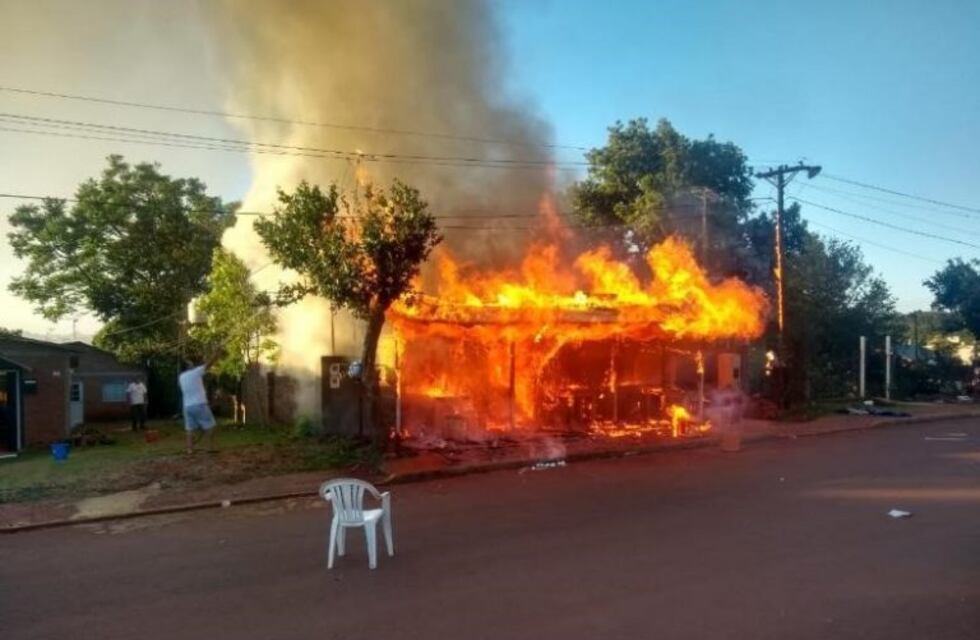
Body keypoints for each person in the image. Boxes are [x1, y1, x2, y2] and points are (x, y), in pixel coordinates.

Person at [179, 351, 221, 454]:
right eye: (190, 363)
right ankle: (209, 448)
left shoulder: (181, 377)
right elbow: (209, 364)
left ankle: (190, 449)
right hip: (199, 404)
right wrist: (216, 353)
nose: (192, 364)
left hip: (187, 406)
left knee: (189, 428)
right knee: (211, 425)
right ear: (188, 366)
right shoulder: (195, 372)